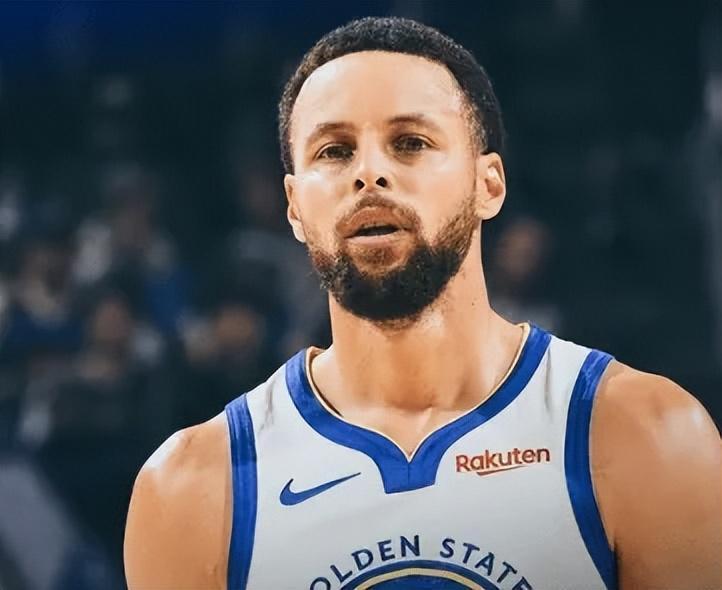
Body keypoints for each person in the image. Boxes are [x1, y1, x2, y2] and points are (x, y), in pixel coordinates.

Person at [123, 17, 721, 590]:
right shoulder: (194, 488)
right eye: (333, 151)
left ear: (489, 184)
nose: (369, 174)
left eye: (410, 142)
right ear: (294, 207)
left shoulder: (643, 436)